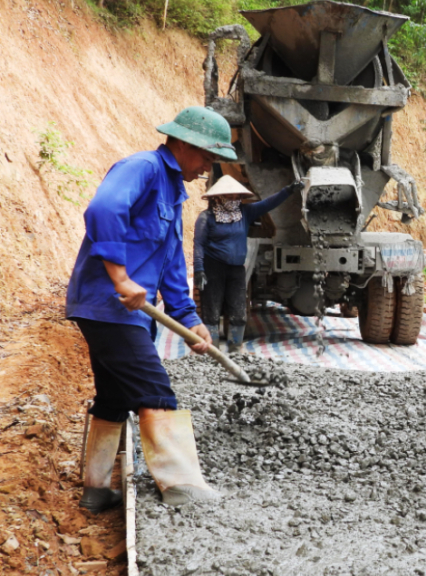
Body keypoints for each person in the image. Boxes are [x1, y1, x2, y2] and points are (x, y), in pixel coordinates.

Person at [66, 106, 236, 510]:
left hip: (130, 315)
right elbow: (103, 210)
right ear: (182, 143)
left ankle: (96, 490)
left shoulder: (174, 193)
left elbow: (172, 265)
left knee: (114, 397)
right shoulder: (142, 168)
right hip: (108, 306)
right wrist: (121, 277)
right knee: (155, 392)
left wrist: (190, 319)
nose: (207, 168)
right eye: (207, 157)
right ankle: (182, 489)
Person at [193, 175, 303, 352]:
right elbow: (198, 244)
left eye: (237, 196)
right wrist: (199, 269)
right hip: (213, 269)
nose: (234, 200)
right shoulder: (206, 218)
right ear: (217, 197)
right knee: (211, 312)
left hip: (236, 270)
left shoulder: (244, 213)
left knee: (238, 312)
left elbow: (269, 203)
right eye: (230, 196)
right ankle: (211, 350)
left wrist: (289, 190)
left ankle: (235, 349)